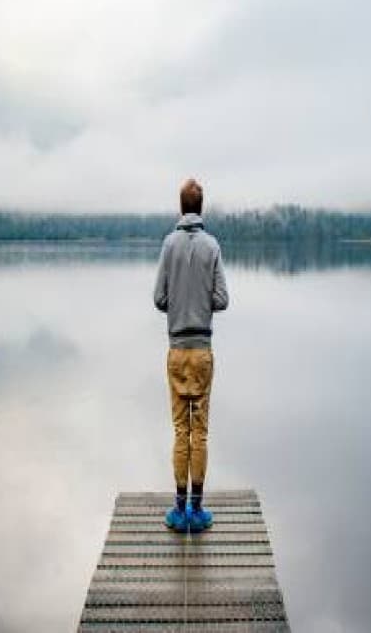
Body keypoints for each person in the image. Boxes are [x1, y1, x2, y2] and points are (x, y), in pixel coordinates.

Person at [153, 178, 229, 533]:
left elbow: (159, 299)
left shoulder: (168, 244)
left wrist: (179, 300)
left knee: (180, 429)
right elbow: (222, 300)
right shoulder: (212, 246)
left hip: (176, 350)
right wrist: (200, 300)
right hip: (201, 352)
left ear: (181, 207)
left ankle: (179, 509)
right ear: (201, 208)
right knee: (199, 432)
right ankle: (197, 512)